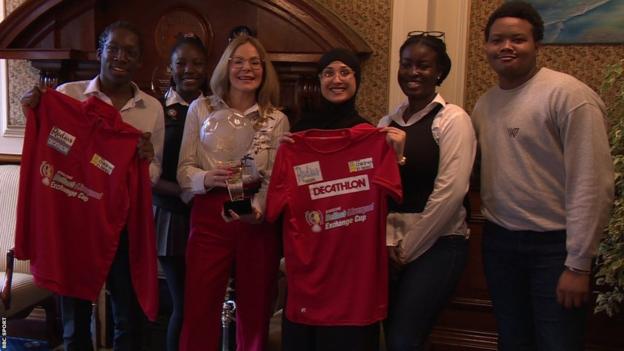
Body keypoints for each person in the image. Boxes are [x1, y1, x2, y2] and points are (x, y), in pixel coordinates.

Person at [472, 2, 614, 350]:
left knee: (558, 342)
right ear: (487, 46)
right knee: (512, 340)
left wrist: (578, 265)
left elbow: (592, 182)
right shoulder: (483, 105)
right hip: (500, 244)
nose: (506, 47)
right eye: (497, 40)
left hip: (555, 249)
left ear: (538, 45)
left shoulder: (568, 96)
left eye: (517, 39)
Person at [20, 21, 164, 351]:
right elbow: (47, 144)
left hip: (122, 227)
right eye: (113, 48)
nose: (120, 57)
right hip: (75, 225)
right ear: (100, 52)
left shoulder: (152, 109)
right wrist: (33, 106)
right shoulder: (66, 95)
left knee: (127, 316)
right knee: (75, 322)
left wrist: (146, 160)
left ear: (140, 61)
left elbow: (154, 173)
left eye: (130, 52)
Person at [275, 48, 405, 351]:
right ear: (319, 80)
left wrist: (396, 155)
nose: (337, 79)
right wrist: (281, 154)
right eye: (329, 72)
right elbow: (277, 207)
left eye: (345, 72)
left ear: (356, 80)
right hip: (309, 277)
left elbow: (396, 199)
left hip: (354, 280)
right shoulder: (296, 138)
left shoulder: (372, 136)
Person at [176, 34, 289, 351]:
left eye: (255, 62)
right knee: (199, 308)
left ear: (264, 70)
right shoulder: (201, 108)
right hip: (210, 216)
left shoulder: (277, 119)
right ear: (226, 67)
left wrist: (259, 211)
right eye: (238, 61)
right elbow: (184, 170)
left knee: (255, 311)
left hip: (255, 220)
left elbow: (275, 179)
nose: (246, 69)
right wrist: (207, 178)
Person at [378, 32, 476, 351]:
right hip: (388, 246)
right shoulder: (386, 122)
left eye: (423, 65)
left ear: (439, 72)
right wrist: (386, 244)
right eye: (406, 65)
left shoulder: (452, 119)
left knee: (404, 339)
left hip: (438, 244)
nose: (413, 72)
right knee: (387, 334)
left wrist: (406, 249)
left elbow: (451, 192)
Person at [152, 33, 208, 351]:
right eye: (181, 63)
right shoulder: (156, 110)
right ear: (170, 68)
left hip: (209, 217)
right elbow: (148, 174)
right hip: (171, 217)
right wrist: (187, 190)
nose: (190, 69)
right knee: (184, 305)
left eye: (197, 63)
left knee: (205, 305)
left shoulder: (217, 109)